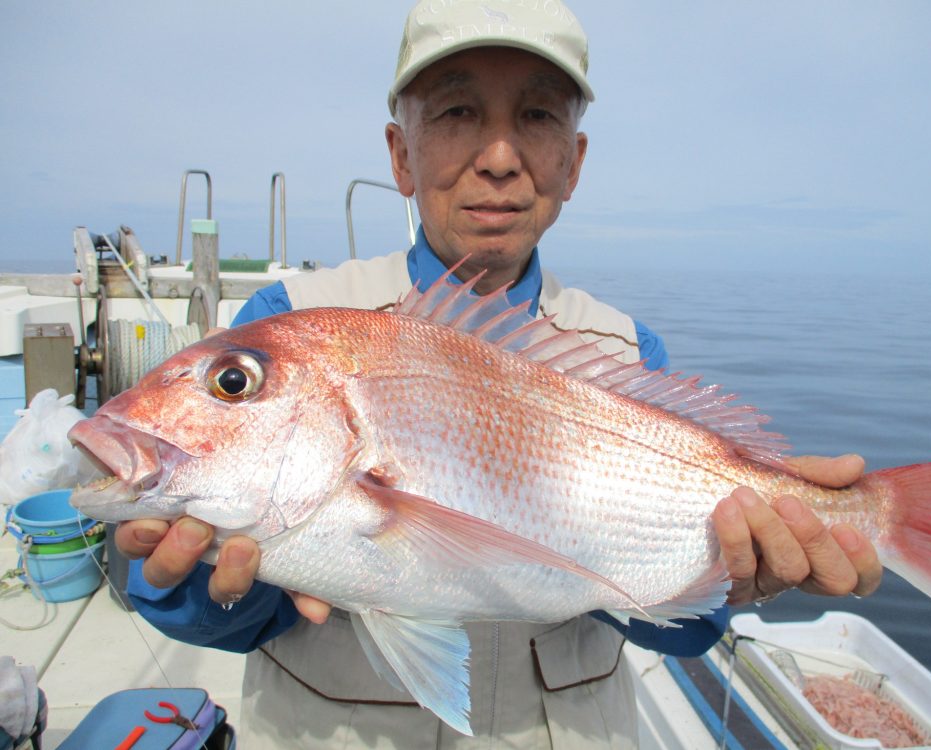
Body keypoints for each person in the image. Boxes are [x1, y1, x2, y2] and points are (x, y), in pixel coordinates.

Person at [116, 1, 882, 747]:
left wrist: (741, 569)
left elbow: (688, 630)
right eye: (456, 113)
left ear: (573, 164)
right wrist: (206, 591)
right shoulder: (293, 318)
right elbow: (192, 604)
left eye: (540, 117)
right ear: (399, 154)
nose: (500, 157)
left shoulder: (623, 352)